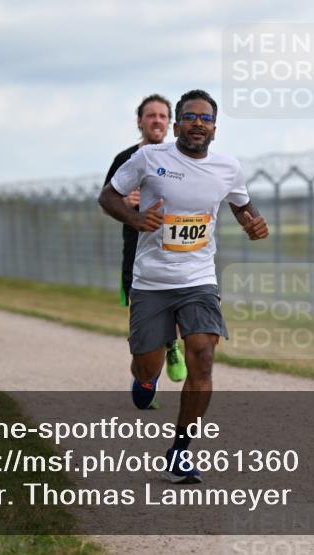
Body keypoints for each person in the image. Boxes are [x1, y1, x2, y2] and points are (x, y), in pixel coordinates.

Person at [98, 89, 269, 483]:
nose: (197, 123)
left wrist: (253, 222)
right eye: (190, 117)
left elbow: (241, 202)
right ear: (176, 125)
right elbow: (109, 196)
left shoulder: (227, 168)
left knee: (204, 356)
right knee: (147, 363)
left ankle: (179, 452)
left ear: (214, 128)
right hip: (152, 281)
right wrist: (135, 219)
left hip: (198, 279)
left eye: (205, 118)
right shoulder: (149, 158)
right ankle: (144, 376)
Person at [103, 94, 187, 383]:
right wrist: (127, 203)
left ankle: (172, 345)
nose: (157, 121)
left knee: (178, 301)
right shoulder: (125, 159)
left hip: (176, 247)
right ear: (139, 121)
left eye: (163, 116)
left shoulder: (180, 158)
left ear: (170, 123)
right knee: (142, 317)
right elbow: (107, 199)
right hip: (137, 249)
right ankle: (146, 375)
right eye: (151, 115)